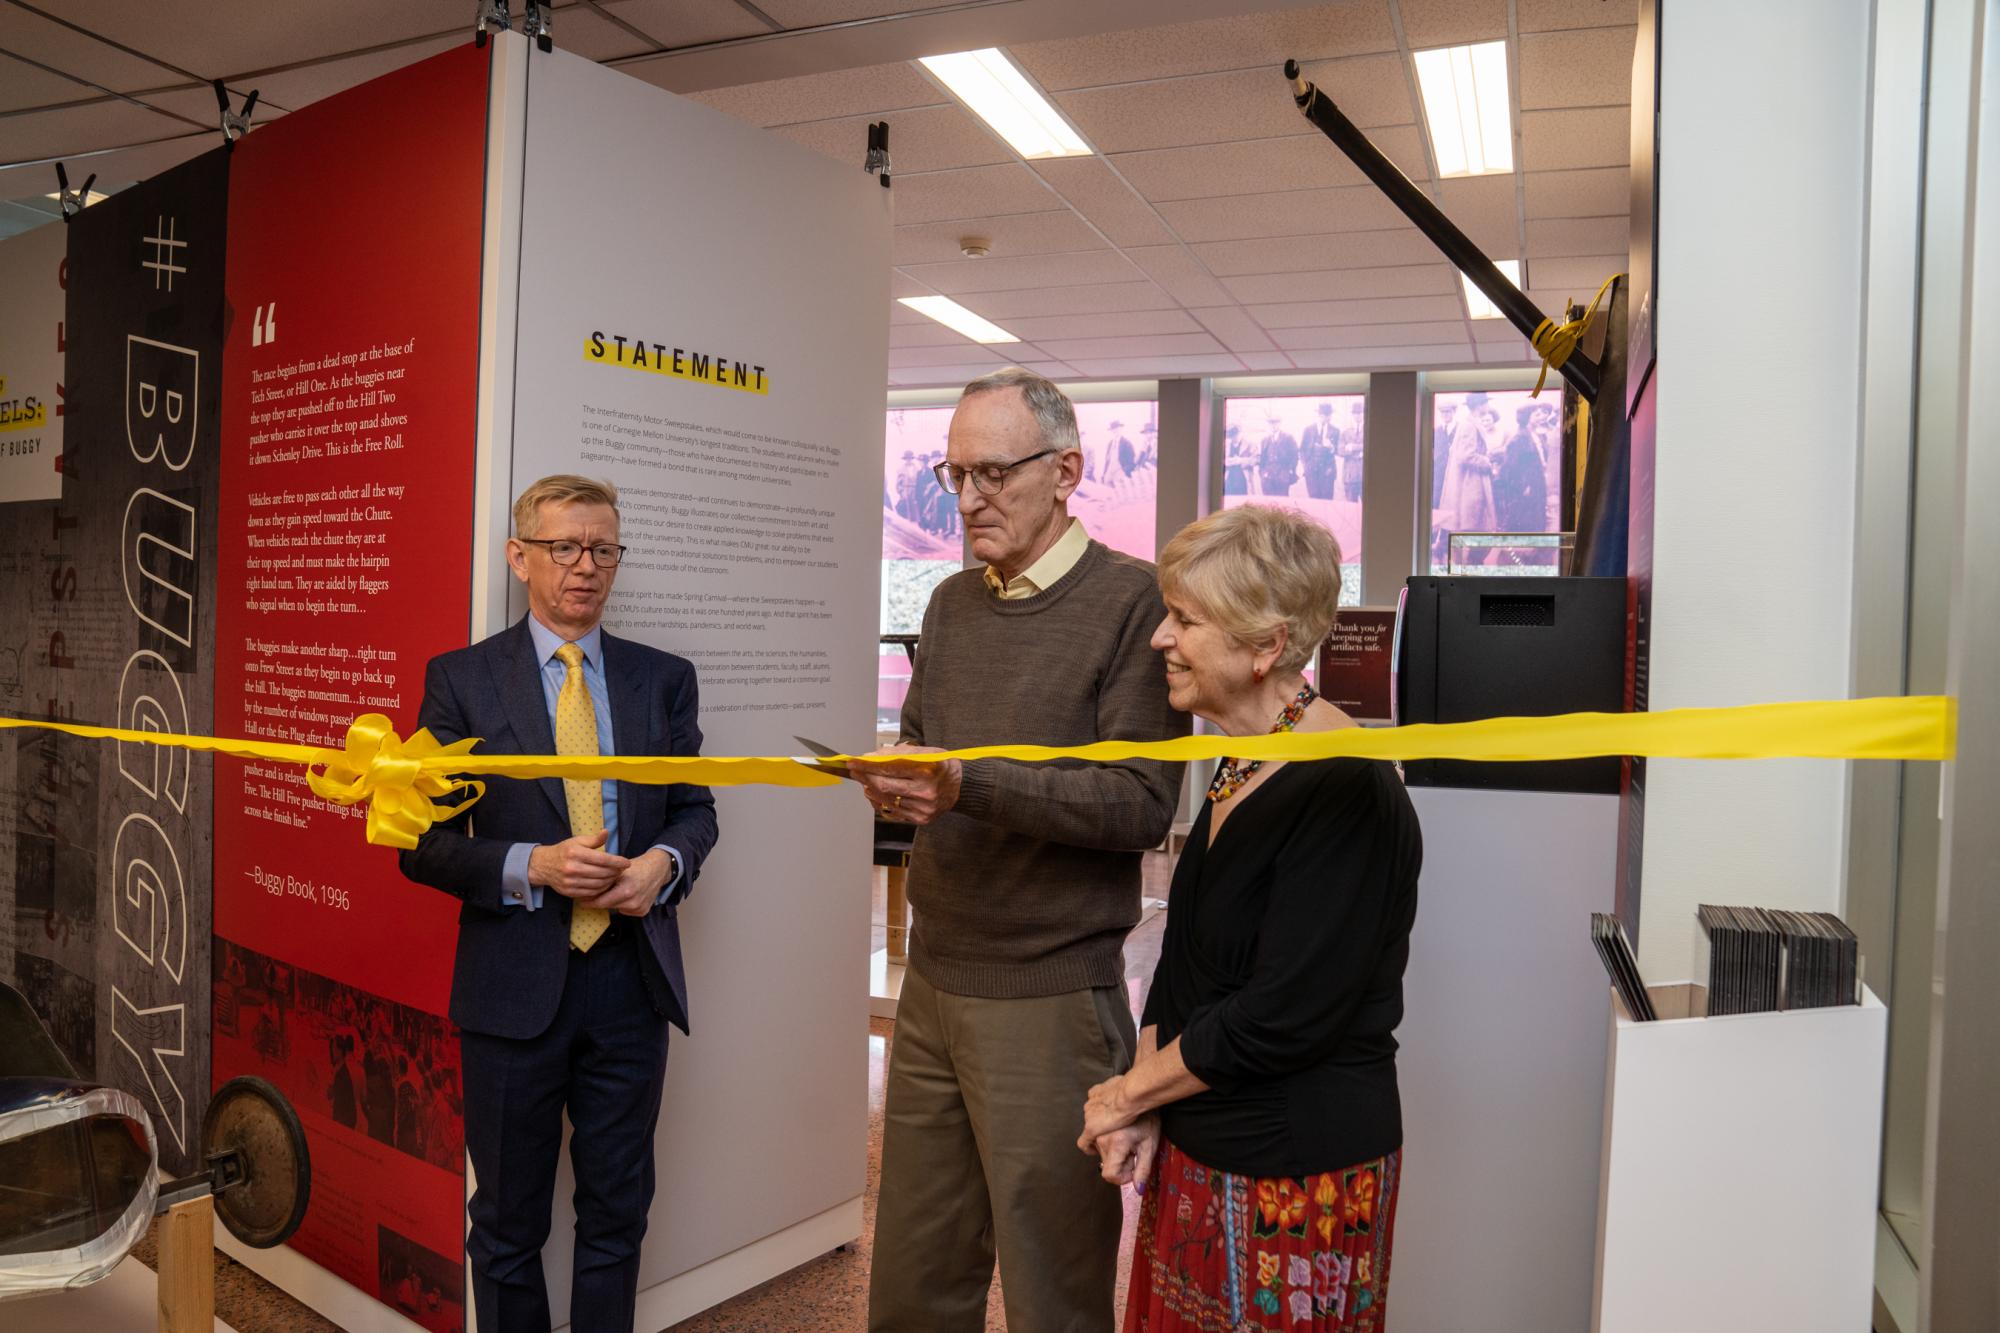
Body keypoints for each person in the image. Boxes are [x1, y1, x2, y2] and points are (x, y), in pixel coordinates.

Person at [854, 367, 1186, 1333]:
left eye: (992, 474)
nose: (967, 501)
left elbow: (1135, 805)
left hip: (1050, 997)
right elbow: (932, 751)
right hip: (934, 982)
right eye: (952, 475)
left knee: (1054, 1290)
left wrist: (967, 782)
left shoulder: (1133, 603)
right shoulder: (954, 603)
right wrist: (907, 783)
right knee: (914, 1282)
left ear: (1068, 468)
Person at [1078, 505, 1422, 1332]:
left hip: (1293, 1173)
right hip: (1205, 1144)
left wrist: (1124, 1091)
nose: (1161, 637)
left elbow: (1281, 1017)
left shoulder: (1345, 783)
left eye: (1186, 619)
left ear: (1266, 645)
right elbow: (1188, 956)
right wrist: (1149, 1105)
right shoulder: (1248, 755)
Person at [398, 475, 719, 1333]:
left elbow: (698, 810)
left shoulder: (663, 681)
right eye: (564, 547)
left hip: (629, 981)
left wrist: (662, 863)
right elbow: (418, 843)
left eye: (603, 548)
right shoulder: (462, 682)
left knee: (618, 1213)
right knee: (506, 1225)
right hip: (513, 987)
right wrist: (531, 863)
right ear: (520, 556)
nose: (586, 566)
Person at [1495, 402, 1550, 533]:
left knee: (1536, 517)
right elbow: (1511, 467)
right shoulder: (1519, 439)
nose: (1539, 417)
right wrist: (1524, 486)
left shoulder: (1534, 435)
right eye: (1535, 414)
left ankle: (1534, 549)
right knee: (1526, 521)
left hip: (1536, 483)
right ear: (1527, 418)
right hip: (1526, 488)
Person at [1299, 402, 1341, 501]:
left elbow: (1339, 450)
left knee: (1327, 501)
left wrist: (1331, 447)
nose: (1326, 418)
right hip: (1311, 472)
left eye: (1328, 415)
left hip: (1327, 471)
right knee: (1313, 500)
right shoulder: (1308, 430)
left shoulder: (1335, 431)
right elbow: (1302, 450)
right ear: (1318, 415)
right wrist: (1306, 466)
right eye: (1323, 415)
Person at [1258, 413, 1300, 498]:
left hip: (1282, 473)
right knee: (1268, 500)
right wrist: (1262, 472)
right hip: (1268, 474)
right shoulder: (1265, 440)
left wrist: (1289, 470)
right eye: (1271, 423)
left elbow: (1295, 456)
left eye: (1275, 423)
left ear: (1279, 424)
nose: (1273, 426)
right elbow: (1262, 458)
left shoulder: (1288, 438)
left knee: (1282, 499)